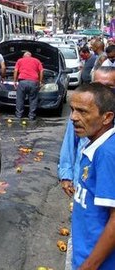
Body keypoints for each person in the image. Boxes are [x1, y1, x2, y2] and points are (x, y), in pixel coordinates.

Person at [58, 67, 115, 268]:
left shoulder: (108, 154)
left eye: (82, 111)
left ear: (107, 117)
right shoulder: (90, 142)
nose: (73, 117)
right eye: (72, 109)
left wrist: (89, 265)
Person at [13, 51, 43, 120]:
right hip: (33, 82)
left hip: (22, 82)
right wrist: (40, 81)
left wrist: (14, 81)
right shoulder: (37, 61)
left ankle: (19, 115)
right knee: (33, 99)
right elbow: (41, 71)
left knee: (20, 99)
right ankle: (32, 116)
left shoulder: (20, 60)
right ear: (30, 56)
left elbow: (15, 70)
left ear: (24, 56)